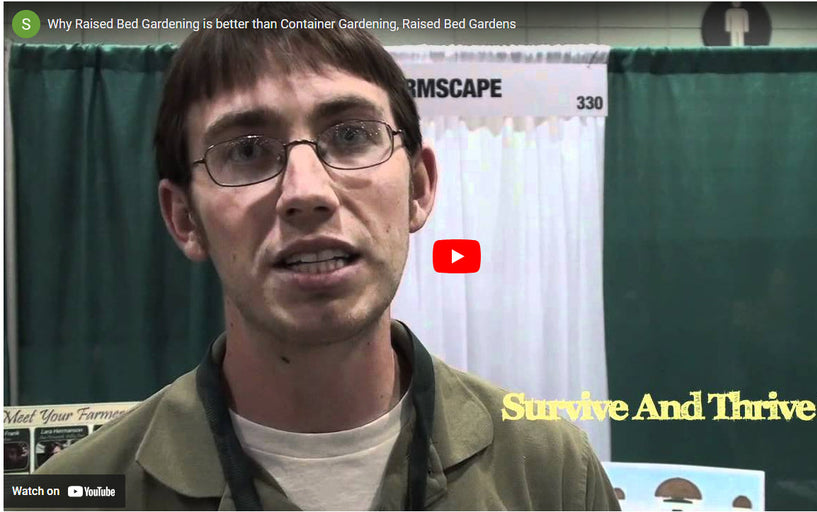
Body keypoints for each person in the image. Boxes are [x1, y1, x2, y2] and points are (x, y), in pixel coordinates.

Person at [37, 3, 621, 510]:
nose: (307, 192)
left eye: (350, 136)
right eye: (247, 151)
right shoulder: (75, 491)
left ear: (418, 189)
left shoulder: (551, 471)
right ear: (185, 219)